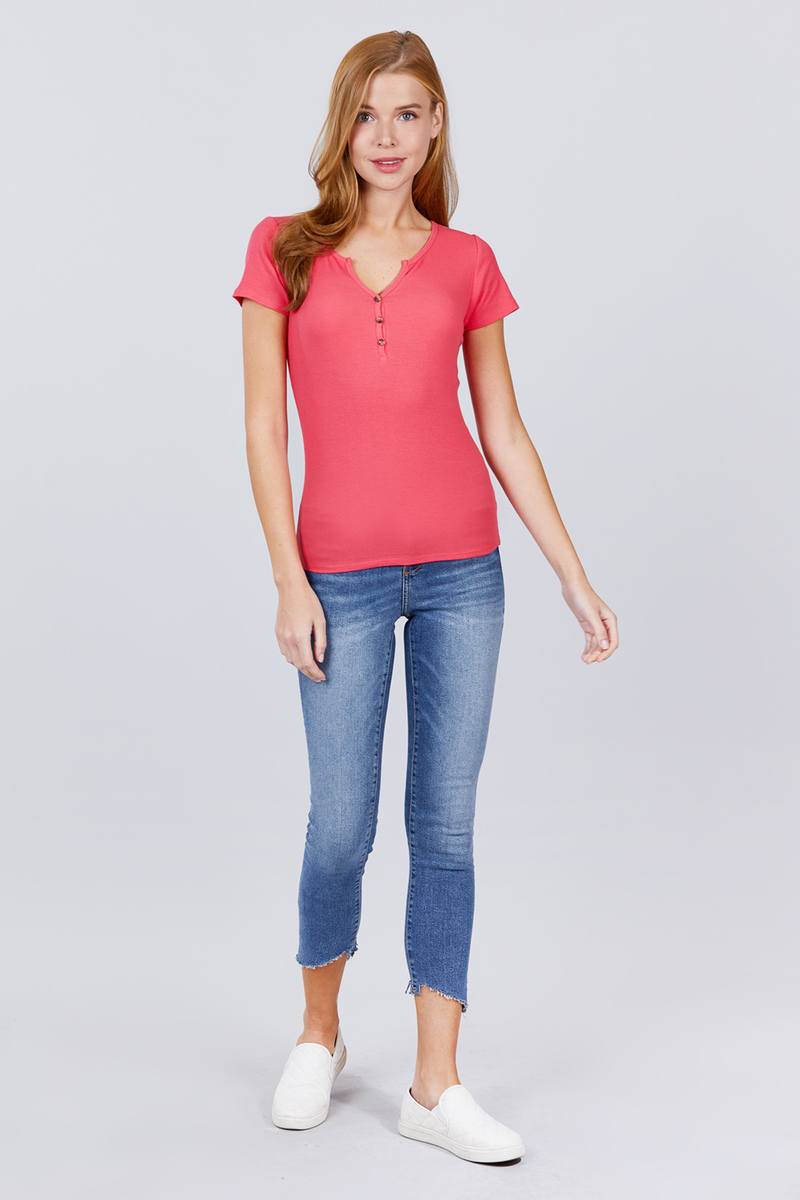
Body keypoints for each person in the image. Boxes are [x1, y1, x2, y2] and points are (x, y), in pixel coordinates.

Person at [232, 30, 618, 1166]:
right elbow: (262, 429)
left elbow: (503, 430)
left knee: (443, 828)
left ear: (436, 123)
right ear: (341, 124)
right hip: (338, 579)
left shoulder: (467, 261)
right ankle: (318, 1034)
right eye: (367, 114)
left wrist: (571, 571)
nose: (387, 137)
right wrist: (288, 578)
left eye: (408, 113)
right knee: (340, 824)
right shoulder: (282, 249)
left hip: (462, 573)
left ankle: (435, 1084)